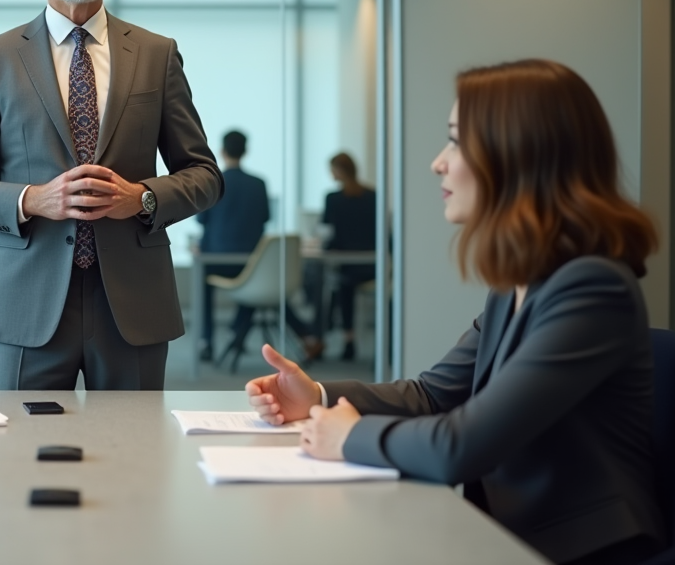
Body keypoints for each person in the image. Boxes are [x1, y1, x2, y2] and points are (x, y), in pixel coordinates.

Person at [246, 59, 663, 565]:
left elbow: (463, 445)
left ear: (517, 155)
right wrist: (316, 395)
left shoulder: (593, 287)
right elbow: (432, 395)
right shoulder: (518, 282)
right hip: (504, 535)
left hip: (578, 550)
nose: (438, 163)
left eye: (456, 142)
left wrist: (351, 435)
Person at [0, 0, 222, 390]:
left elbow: (204, 175)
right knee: (23, 458)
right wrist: (34, 199)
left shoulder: (157, 55)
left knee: (134, 459)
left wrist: (144, 197)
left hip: (133, 302)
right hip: (27, 302)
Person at [195, 130, 281, 362]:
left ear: (222, 151)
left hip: (216, 261)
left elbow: (202, 221)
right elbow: (264, 218)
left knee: (202, 286)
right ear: (246, 151)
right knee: (255, 284)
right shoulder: (259, 184)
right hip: (250, 263)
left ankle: (206, 340)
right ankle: (236, 331)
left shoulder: (213, 183)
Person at [318, 152, 376, 360]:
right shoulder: (373, 196)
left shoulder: (333, 199)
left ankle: (338, 338)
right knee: (341, 283)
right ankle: (339, 336)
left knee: (333, 283)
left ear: (339, 171)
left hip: (347, 267)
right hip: (372, 266)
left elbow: (330, 234)